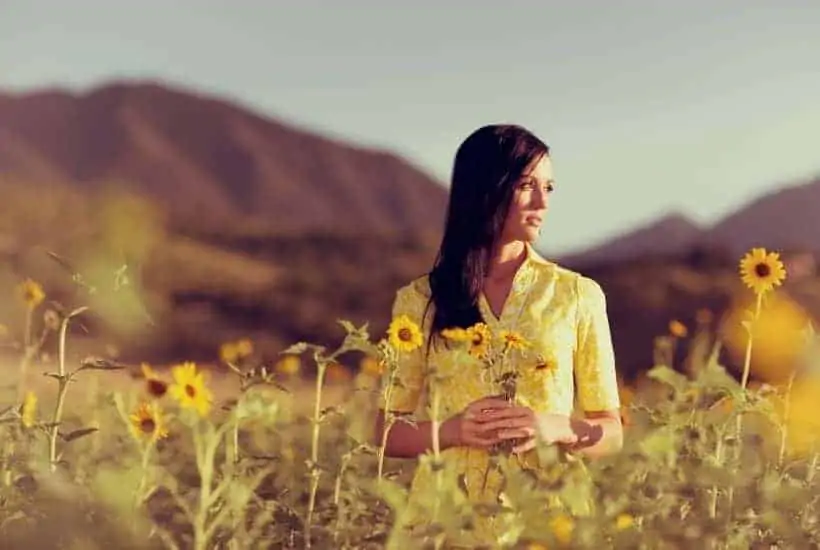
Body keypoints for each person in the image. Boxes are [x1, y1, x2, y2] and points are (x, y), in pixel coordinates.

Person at [374, 123, 623, 547]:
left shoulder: (578, 295)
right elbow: (385, 432)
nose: (543, 201)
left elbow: (611, 432)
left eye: (549, 187)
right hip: (446, 521)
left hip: (549, 517)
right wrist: (453, 431)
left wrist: (552, 427)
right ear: (487, 188)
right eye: (528, 185)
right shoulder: (420, 300)